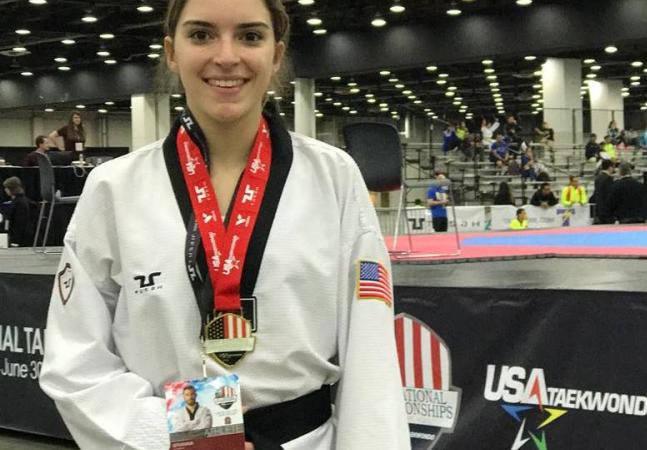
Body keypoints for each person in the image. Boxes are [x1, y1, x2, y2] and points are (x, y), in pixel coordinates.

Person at [38, 2, 410, 450]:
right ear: (172, 53)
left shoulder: (334, 178)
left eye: (250, 36)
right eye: (202, 35)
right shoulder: (113, 190)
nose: (227, 56)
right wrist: (179, 435)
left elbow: (369, 350)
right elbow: (75, 361)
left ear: (276, 54)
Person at [2, 176, 37, 247]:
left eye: (7, 188)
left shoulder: (19, 203)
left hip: (19, 239)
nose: (5, 190)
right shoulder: (19, 201)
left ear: (12, 189)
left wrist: (15, 241)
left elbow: (19, 224)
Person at [592, 159, 615, 224]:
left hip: (599, 209)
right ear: (610, 168)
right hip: (607, 211)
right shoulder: (608, 179)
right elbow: (610, 195)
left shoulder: (597, 178)